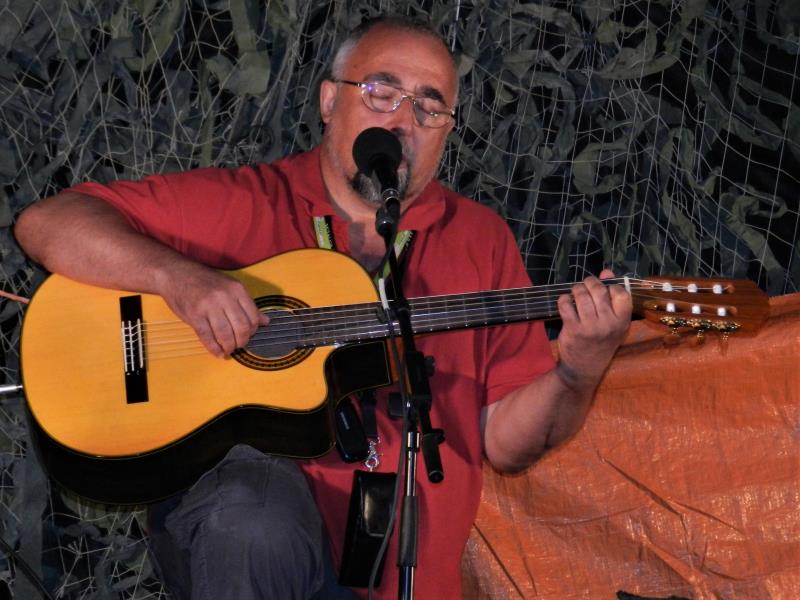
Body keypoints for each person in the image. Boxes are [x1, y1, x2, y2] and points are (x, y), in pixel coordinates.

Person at [14, 16, 631, 600]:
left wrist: (577, 372)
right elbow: (48, 223)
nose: (403, 121)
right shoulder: (244, 204)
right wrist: (180, 279)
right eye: (381, 93)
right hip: (253, 548)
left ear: (446, 130)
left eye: (429, 106)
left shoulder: (479, 239)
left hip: (405, 574)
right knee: (253, 518)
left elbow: (506, 442)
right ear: (330, 101)